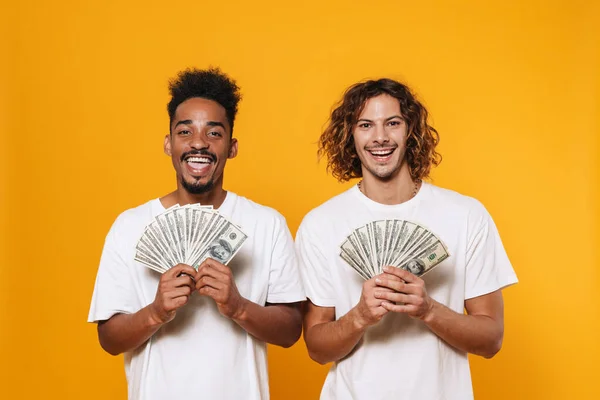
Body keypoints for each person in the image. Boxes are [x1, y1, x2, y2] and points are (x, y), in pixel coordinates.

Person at [88, 67, 305, 400]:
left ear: (231, 147)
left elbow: (291, 330)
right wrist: (156, 312)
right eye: (185, 131)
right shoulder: (128, 226)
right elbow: (109, 340)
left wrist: (237, 306)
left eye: (214, 133)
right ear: (168, 143)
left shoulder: (266, 223)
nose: (199, 143)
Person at [296, 78, 518, 399]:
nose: (380, 137)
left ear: (410, 130)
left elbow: (491, 339)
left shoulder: (466, 215)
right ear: (350, 135)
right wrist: (360, 316)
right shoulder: (320, 224)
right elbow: (317, 348)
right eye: (366, 125)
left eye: (393, 123)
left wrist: (427, 309)